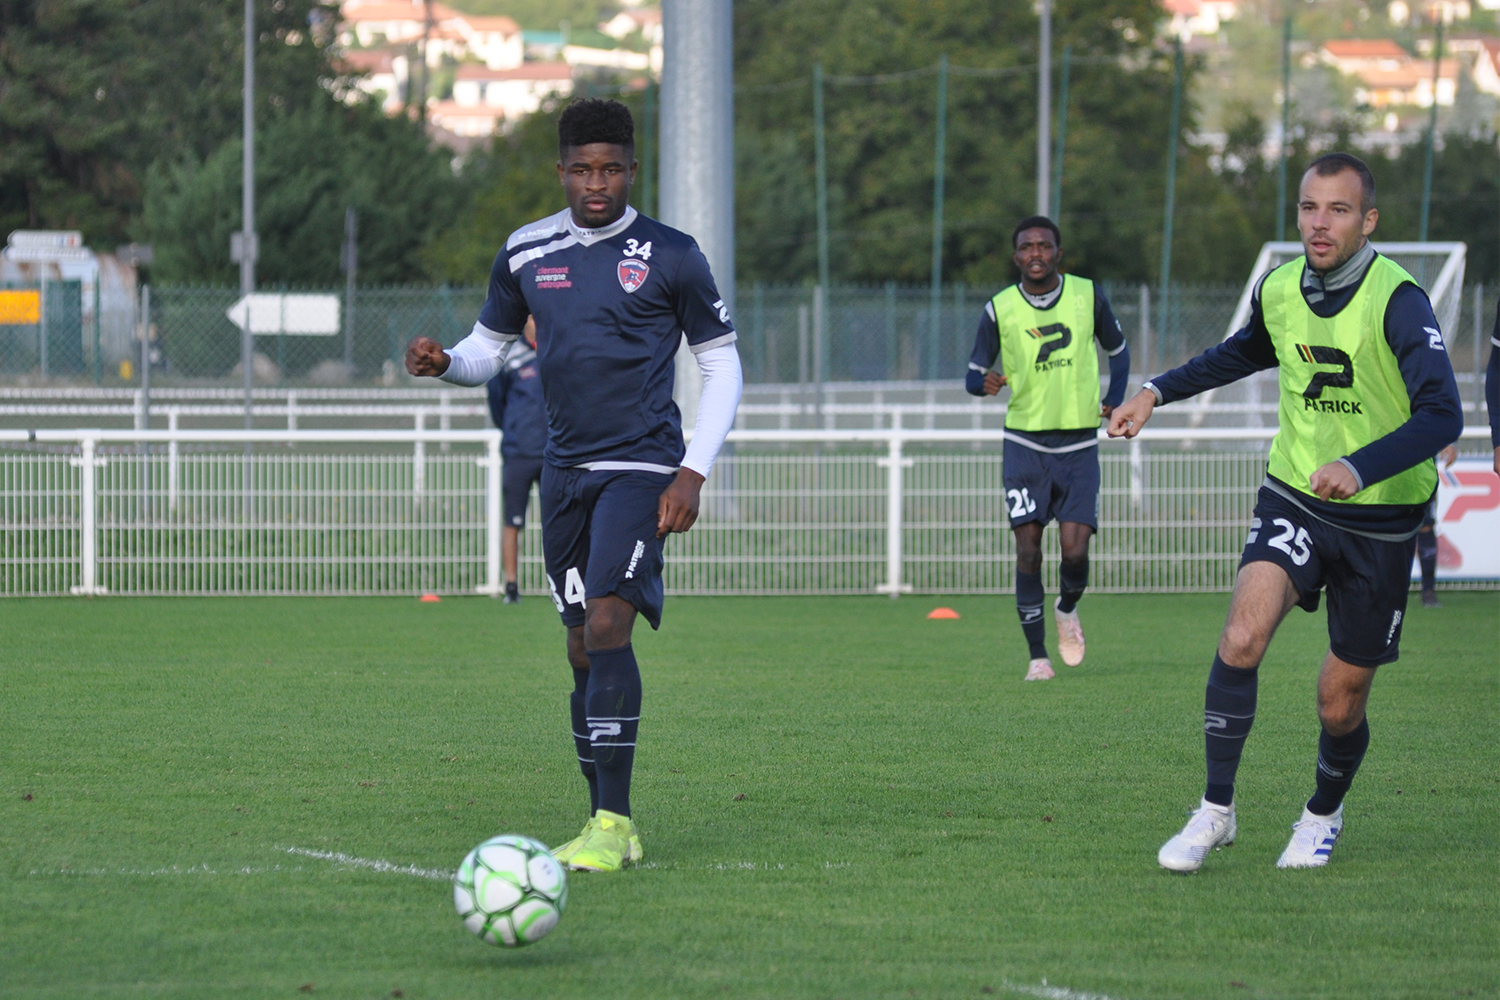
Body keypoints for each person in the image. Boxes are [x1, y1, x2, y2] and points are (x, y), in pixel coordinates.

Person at [404, 99, 743, 873]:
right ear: (561, 171)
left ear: (632, 169)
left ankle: (615, 823)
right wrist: (445, 364)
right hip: (562, 474)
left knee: (607, 627)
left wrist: (693, 469)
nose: (598, 182)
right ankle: (600, 813)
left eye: (613, 168)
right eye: (583, 169)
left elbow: (721, 363)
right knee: (579, 650)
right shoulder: (526, 252)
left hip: (642, 466)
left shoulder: (673, 253)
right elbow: (488, 349)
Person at [1108, 153, 1463, 871]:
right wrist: (1154, 390)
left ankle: (1321, 814)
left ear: (1368, 221)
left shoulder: (1399, 301)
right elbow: (1238, 354)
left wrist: (1360, 467)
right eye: (1308, 207)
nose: (1318, 223)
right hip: (1294, 494)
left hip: (1382, 520)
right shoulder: (1279, 287)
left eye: (1337, 210)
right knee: (1241, 636)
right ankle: (1214, 812)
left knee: (1339, 702)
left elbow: (1444, 414)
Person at [965, 216, 1130, 681]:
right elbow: (972, 374)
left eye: (1044, 245)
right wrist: (985, 383)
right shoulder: (999, 309)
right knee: (1029, 548)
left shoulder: (1086, 295)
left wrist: (1115, 398)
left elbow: (1118, 352)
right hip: (1024, 444)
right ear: (1015, 255)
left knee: (1075, 552)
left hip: (1079, 443)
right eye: (1026, 247)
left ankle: (1067, 607)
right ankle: (1038, 657)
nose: (1035, 253)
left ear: (1058, 252)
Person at [485, 317, 546, 604]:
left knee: (562, 524)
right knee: (513, 520)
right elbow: (497, 401)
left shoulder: (557, 349)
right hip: (518, 452)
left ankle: (562, 586)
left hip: (555, 454)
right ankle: (511, 586)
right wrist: (512, 430)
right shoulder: (510, 357)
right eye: (532, 316)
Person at [1414, 444, 1457, 608]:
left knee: (1426, 525)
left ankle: (1428, 591)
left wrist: (1446, 441)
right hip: (1395, 470)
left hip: (1424, 473)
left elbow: (1437, 419)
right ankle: (1389, 591)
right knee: (1392, 528)